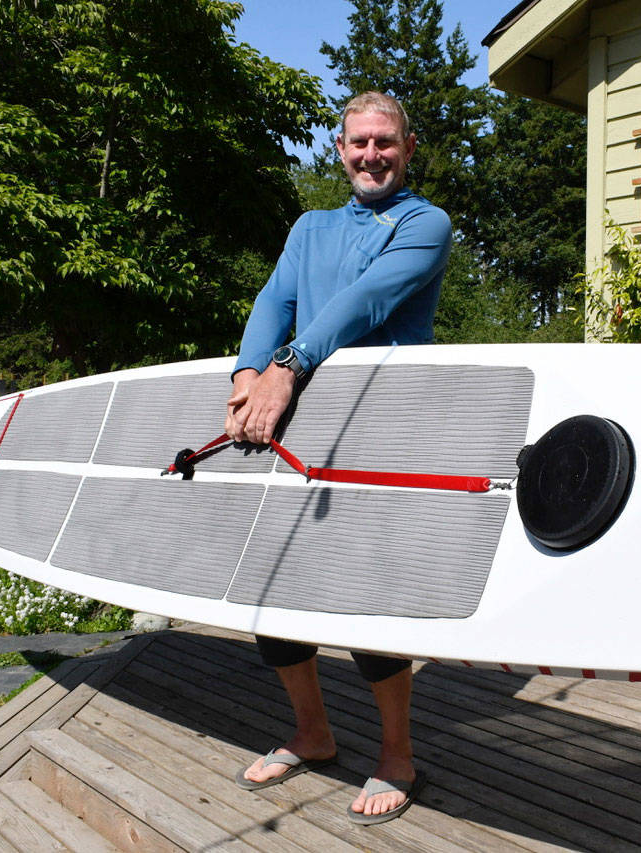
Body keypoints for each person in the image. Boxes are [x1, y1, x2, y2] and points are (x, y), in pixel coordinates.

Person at [224, 91, 452, 825]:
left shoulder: (425, 224)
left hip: (380, 429)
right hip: (296, 431)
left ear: (408, 149)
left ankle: (396, 753)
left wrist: (286, 367)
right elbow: (273, 300)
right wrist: (246, 374)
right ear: (339, 147)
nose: (371, 155)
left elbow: (364, 301)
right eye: (358, 142)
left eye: (385, 142)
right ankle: (313, 732)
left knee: (362, 598)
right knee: (272, 586)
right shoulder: (310, 227)